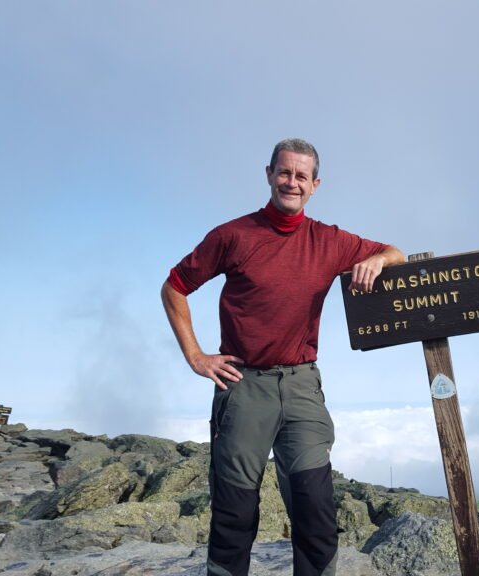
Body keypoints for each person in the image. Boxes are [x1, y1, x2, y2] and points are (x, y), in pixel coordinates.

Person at [161, 138, 405, 576]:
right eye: (284, 172)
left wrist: (378, 261)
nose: (291, 182)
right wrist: (196, 357)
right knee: (235, 511)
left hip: (301, 386)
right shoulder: (233, 235)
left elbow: (396, 252)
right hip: (242, 385)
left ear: (315, 184)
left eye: (301, 176)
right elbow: (174, 286)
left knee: (314, 506)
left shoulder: (330, 241)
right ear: (269, 174)